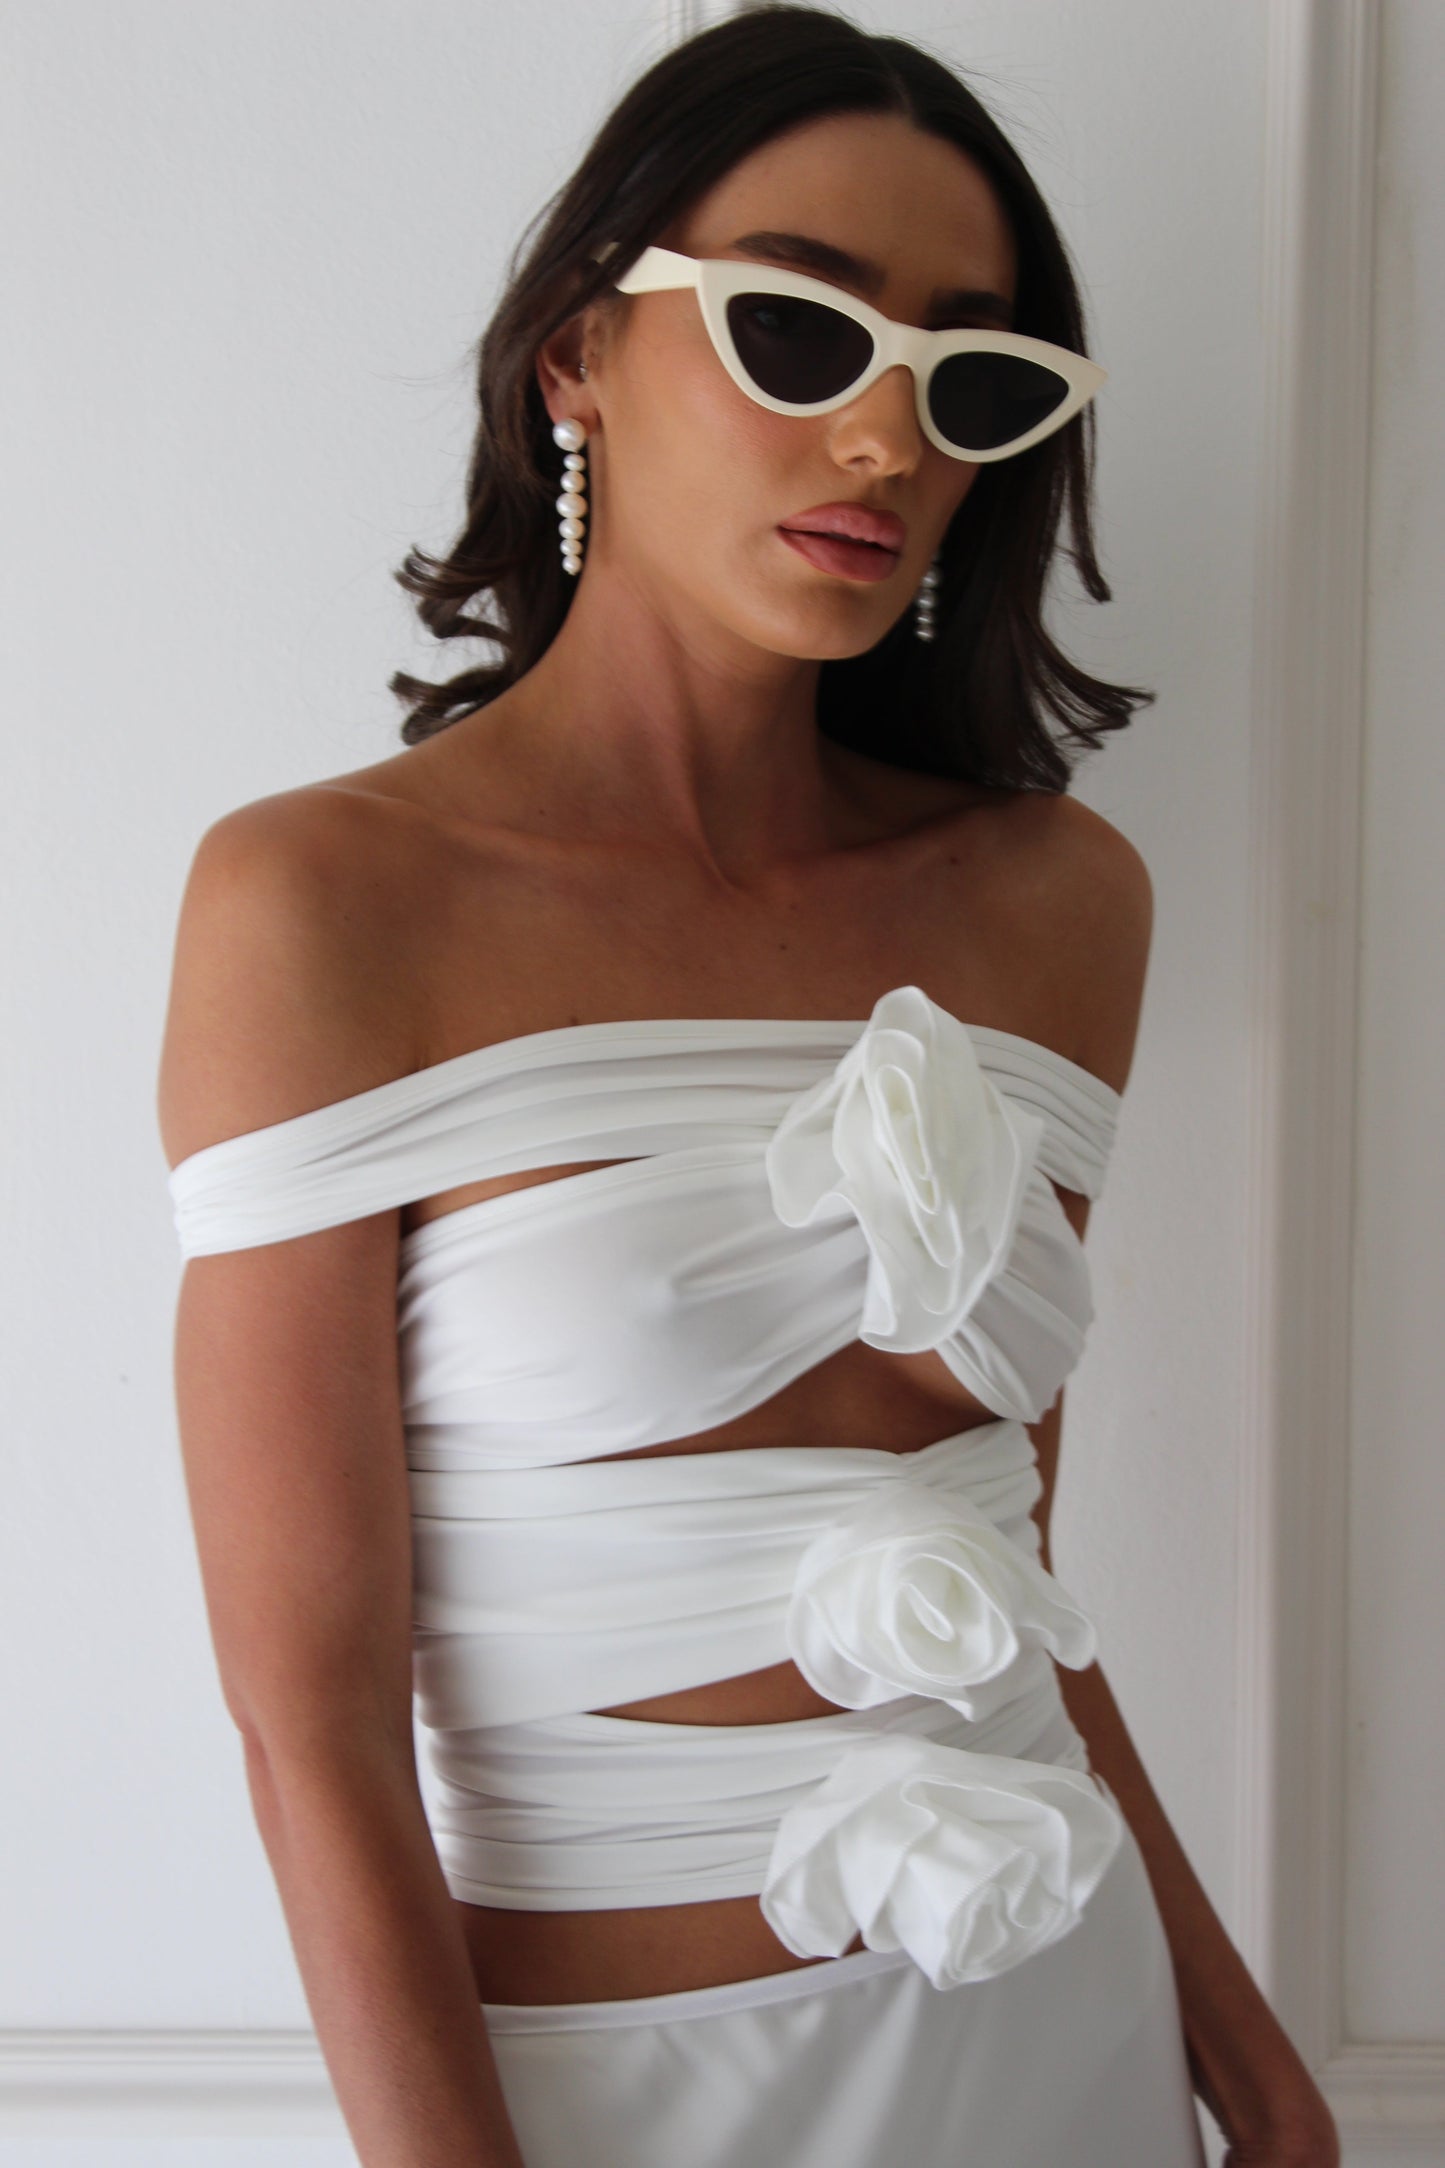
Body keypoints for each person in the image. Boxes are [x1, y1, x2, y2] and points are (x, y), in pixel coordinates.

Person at [156, 8, 1341, 2165]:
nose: (885, 437)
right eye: (800, 330)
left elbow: (1002, 1567)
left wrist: (1251, 2062)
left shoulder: (1055, 906)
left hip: (1057, 2030)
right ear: (577, 354)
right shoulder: (323, 906)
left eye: (969, 380)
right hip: (618, 2094)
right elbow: (308, 1727)